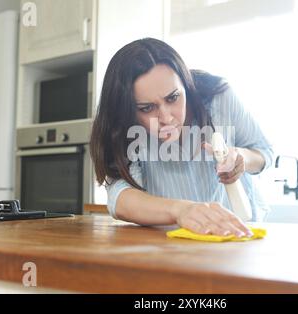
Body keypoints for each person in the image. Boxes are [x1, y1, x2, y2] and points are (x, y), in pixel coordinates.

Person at [90, 38, 273, 238]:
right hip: (172, 244)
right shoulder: (126, 131)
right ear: (127, 111)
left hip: (240, 237)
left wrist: (241, 158)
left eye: (173, 98)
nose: (166, 118)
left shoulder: (219, 97)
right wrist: (180, 210)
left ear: (186, 85)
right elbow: (120, 199)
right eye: (147, 108)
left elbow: (264, 152)